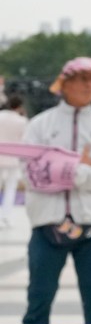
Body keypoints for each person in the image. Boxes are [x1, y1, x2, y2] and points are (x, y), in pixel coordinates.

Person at [20, 57, 91, 324]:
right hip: (47, 224)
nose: (90, 85)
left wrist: (63, 168)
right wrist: (82, 167)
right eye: (83, 79)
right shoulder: (39, 126)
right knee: (38, 302)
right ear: (65, 84)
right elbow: (32, 175)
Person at [0, 93, 27, 231]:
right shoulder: (21, 121)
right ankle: (5, 216)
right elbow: (25, 140)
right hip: (13, 158)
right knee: (10, 189)